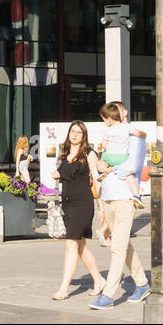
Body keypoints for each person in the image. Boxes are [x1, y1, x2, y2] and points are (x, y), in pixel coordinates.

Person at [88, 122, 149, 310]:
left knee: (118, 248)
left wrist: (114, 165)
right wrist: (102, 162)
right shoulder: (110, 139)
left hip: (125, 198)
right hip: (109, 197)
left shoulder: (134, 138)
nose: (109, 122)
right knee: (123, 245)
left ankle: (108, 295)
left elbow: (134, 163)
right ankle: (142, 283)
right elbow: (100, 165)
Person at [50, 121, 104, 301]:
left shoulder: (89, 154)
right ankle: (98, 279)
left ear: (83, 136)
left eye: (78, 133)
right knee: (80, 246)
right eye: (72, 132)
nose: (74, 135)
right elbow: (61, 173)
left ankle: (64, 289)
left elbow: (98, 179)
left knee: (71, 244)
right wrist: (57, 174)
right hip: (68, 204)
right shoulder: (64, 154)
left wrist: (101, 207)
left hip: (83, 204)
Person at [93, 102, 145, 208]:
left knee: (106, 162)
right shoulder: (127, 128)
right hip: (108, 196)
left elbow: (133, 166)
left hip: (124, 198)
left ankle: (106, 173)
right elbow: (140, 133)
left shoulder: (107, 130)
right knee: (128, 176)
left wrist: (110, 168)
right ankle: (137, 196)